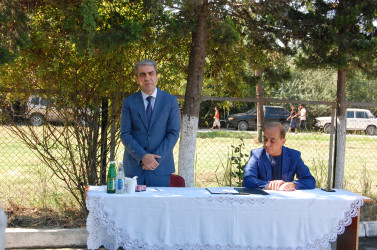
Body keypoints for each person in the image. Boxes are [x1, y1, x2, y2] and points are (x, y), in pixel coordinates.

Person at [120, 59, 181, 187]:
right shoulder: (129, 102)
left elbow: (173, 133)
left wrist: (154, 160)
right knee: (132, 207)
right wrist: (143, 156)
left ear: (157, 76)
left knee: (160, 207)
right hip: (134, 169)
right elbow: (125, 134)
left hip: (160, 168)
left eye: (151, 73)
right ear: (137, 79)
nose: (147, 78)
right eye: (142, 74)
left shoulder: (170, 101)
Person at [243, 122, 316, 191]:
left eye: (272, 141)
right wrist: (271, 186)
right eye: (265, 139)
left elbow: (310, 181)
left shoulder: (294, 156)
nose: (267, 144)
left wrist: (293, 185)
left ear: (283, 142)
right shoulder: (256, 154)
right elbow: (248, 179)